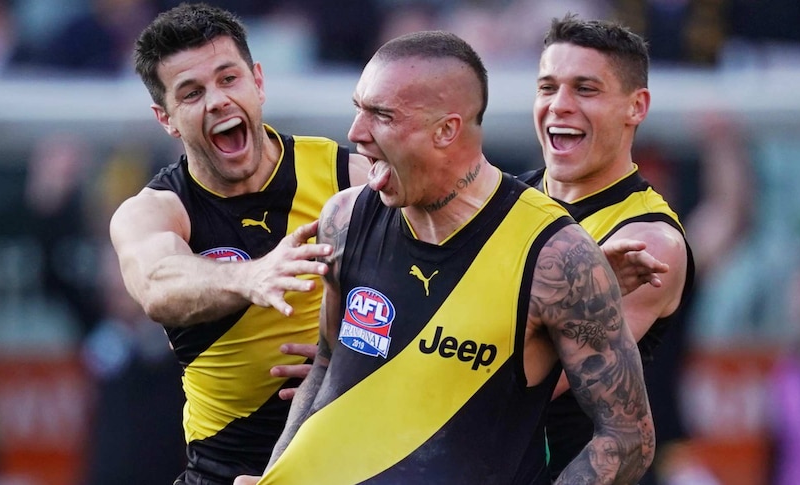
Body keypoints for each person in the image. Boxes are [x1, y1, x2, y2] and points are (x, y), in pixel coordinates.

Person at [237, 30, 654, 485]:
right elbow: (326, 362)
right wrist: (276, 474)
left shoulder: (556, 256)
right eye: (358, 109)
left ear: (446, 130)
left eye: (381, 115)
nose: (356, 134)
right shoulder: (346, 216)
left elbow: (628, 437)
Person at [108, 3, 369, 484]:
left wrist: (359, 356)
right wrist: (249, 275)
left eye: (229, 79)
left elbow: (439, 277)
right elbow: (156, 284)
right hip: (223, 472)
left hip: (353, 464)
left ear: (258, 82)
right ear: (165, 118)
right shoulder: (154, 211)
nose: (217, 101)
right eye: (192, 93)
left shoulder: (348, 178)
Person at [518, 14, 695, 482]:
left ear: (636, 107)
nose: (560, 105)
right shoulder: (503, 203)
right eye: (547, 87)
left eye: (585, 89)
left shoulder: (648, 240)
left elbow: (529, 385)